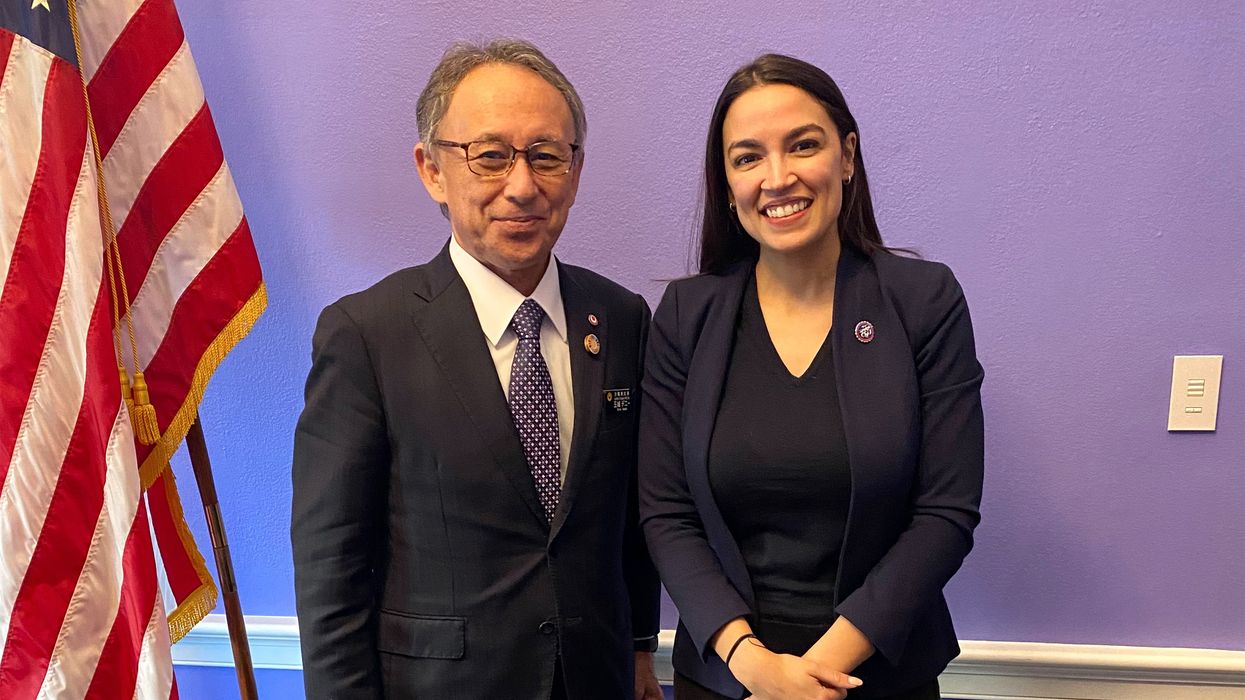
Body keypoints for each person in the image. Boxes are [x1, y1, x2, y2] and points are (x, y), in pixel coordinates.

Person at [291, 39, 662, 700]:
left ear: (575, 170)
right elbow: (332, 563)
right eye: (490, 156)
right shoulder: (367, 334)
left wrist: (638, 649)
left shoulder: (621, 317)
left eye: (546, 155)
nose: (522, 186)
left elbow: (632, 516)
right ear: (432, 170)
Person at [639, 54, 985, 700]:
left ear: (846, 156)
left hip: (878, 677)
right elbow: (665, 512)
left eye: (803, 145)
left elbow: (945, 513)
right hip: (726, 676)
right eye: (748, 157)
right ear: (727, 182)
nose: (778, 178)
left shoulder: (923, 302)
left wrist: (814, 676)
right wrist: (757, 667)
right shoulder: (686, 315)